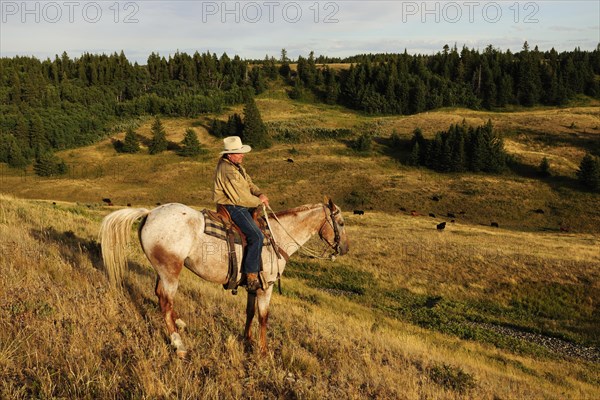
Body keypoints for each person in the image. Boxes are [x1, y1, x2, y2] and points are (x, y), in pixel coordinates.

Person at [213, 136, 269, 292]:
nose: (242, 155)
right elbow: (240, 197)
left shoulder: (237, 166)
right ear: (230, 154)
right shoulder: (227, 169)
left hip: (241, 203)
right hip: (233, 206)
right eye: (239, 153)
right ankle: (250, 275)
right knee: (257, 236)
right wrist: (259, 201)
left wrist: (260, 194)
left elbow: (249, 184)